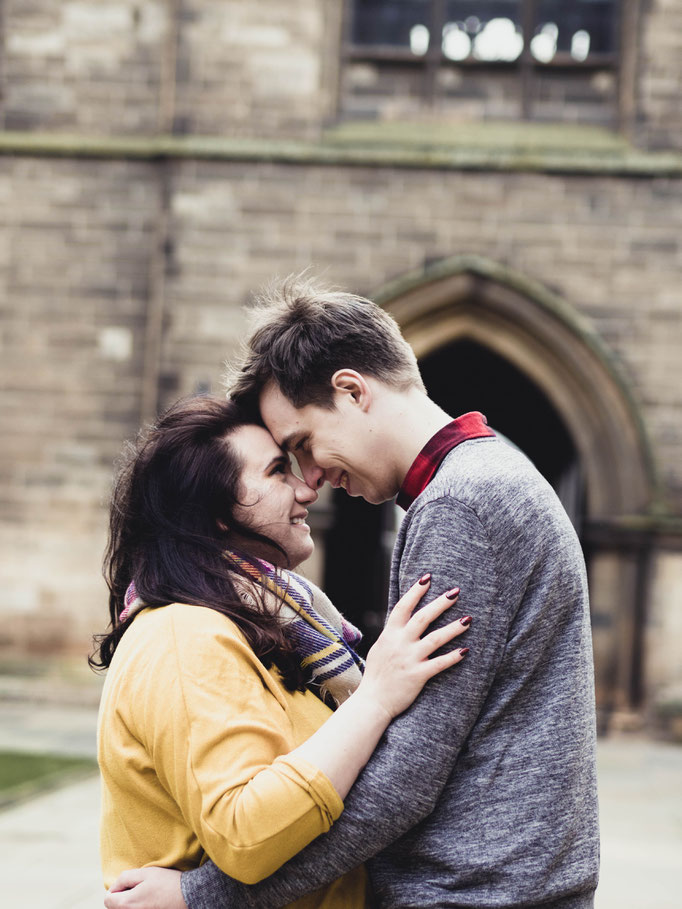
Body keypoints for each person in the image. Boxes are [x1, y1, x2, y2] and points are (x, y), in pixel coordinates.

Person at [108, 277, 599, 909]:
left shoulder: (460, 506)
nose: (313, 479)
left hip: (471, 893)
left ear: (351, 390)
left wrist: (204, 894)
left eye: (302, 446)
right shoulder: (485, 482)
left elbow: (407, 774)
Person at [95, 394, 470, 909]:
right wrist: (376, 698)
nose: (306, 489)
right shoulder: (186, 635)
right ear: (213, 514)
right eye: (277, 472)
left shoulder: (268, 625)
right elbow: (246, 834)